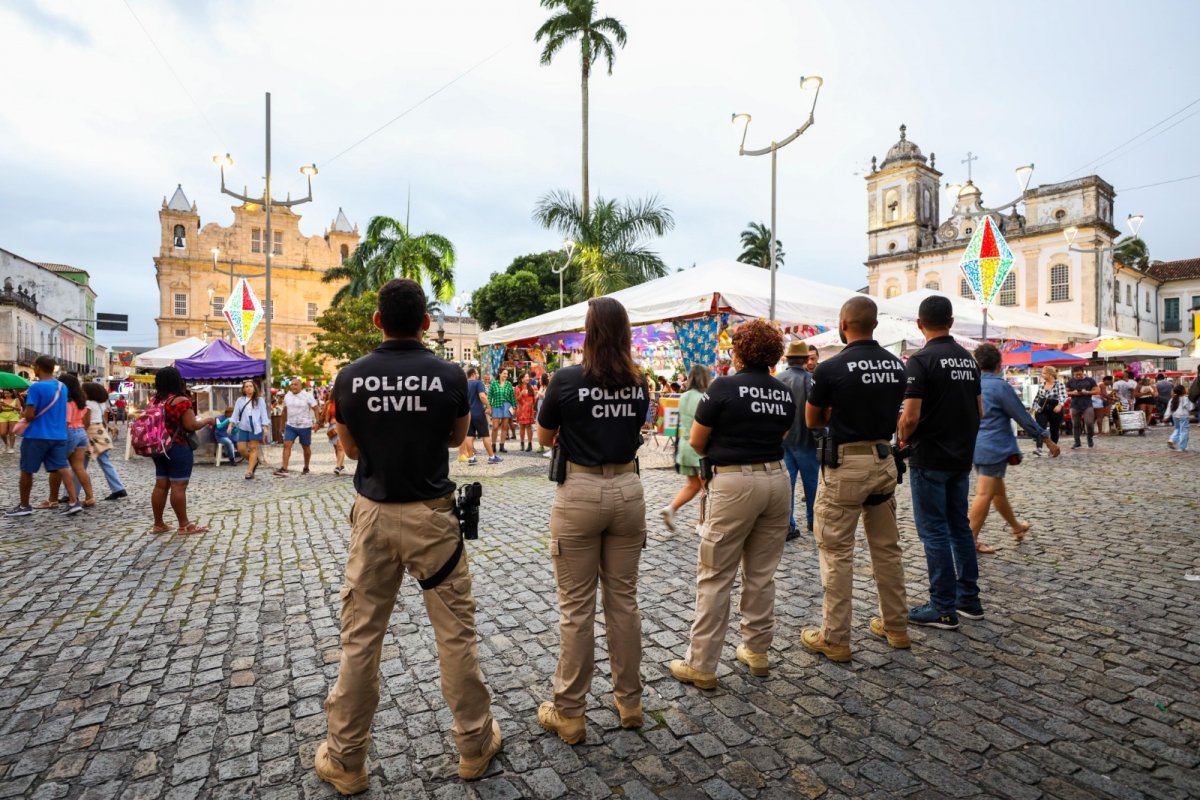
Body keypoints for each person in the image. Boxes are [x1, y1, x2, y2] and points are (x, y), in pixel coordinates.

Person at [317, 279, 501, 792]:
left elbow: (351, 450)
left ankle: (346, 759)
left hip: (374, 515)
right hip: (432, 517)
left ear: (377, 320)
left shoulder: (349, 378)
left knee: (360, 639)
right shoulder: (449, 375)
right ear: (425, 323)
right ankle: (473, 743)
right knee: (455, 634)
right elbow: (457, 438)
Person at [535, 298, 649, 743]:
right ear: (624, 333)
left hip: (580, 490)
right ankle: (630, 701)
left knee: (577, 608)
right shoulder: (639, 381)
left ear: (588, 331)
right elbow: (635, 428)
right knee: (624, 601)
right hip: (628, 488)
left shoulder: (566, 380)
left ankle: (570, 712)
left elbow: (544, 436)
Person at [669, 320, 794, 687]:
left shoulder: (723, 387)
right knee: (761, 572)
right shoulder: (783, 392)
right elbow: (783, 433)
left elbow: (697, 441)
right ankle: (757, 650)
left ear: (739, 352)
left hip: (735, 481)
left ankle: (701, 664)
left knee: (716, 573)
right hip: (777, 479)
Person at [802, 298, 909, 660]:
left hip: (846, 463)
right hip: (883, 460)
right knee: (887, 549)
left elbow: (813, 420)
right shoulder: (896, 366)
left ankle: (835, 638)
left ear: (843, 323)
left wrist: (834, 412)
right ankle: (896, 626)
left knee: (836, 552)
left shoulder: (831, 368)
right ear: (874, 324)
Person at [897, 294, 982, 631]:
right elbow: (979, 410)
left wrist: (902, 435)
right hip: (960, 456)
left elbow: (910, 416)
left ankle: (943, 607)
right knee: (959, 526)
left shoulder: (920, 361)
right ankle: (968, 598)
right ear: (951, 322)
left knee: (933, 531)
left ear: (920, 324)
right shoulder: (969, 360)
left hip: (929, 455)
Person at [970, 345, 1061, 554]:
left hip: (977, 445)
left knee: (997, 492)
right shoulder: (999, 386)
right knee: (985, 493)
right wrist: (1046, 439)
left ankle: (1017, 527)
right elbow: (1021, 415)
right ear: (998, 364)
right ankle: (970, 540)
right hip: (993, 446)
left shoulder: (971, 385)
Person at [6, 356, 81, 517]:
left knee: (27, 470)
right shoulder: (62, 387)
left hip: (37, 435)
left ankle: (24, 506)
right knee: (62, 468)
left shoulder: (36, 387)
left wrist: (24, 413)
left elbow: (30, 415)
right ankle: (73, 502)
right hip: (59, 435)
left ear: (38, 368)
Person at [148, 367, 213, 535]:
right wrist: (207, 420)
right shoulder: (181, 401)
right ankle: (184, 525)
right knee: (179, 485)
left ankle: (158, 524)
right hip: (177, 446)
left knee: (161, 485)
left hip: (159, 447)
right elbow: (191, 425)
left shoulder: (154, 401)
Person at [659, 364, 710, 533]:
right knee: (706, 489)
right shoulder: (704, 398)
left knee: (693, 485)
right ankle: (702, 523)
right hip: (699, 448)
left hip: (684, 447)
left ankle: (671, 508)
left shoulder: (684, 396)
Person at [776, 340, 819, 539]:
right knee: (812, 485)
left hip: (784, 441)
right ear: (804, 359)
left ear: (788, 359)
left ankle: (787, 524)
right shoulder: (809, 380)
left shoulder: (778, 380)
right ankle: (813, 520)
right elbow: (815, 412)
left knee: (787, 486)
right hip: (806, 440)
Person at [45, 374, 95, 509]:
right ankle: (90, 497)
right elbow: (85, 421)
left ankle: (52, 500)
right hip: (81, 432)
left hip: (68, 432)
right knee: (79, 467)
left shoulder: (66, 402)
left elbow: (66, 422)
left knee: (56, 467)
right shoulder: (81, 402)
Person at [83, 381, 127, 500]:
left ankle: (69, 494)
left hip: (90, 433)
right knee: (104, 462)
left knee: (80, 465)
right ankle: (118, 488)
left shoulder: (87, 403)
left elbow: (86, 422)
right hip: (100, 432)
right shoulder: (100, 403)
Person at [276, 379, 319, 476]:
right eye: (291, 384)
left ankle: (306, 467)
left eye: (295, 384)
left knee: (306, 447)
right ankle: (284, 468)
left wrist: (317, 422)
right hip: (291, 425)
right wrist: (281, 425)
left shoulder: (307, 396)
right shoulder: (287, 396)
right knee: (286, 445)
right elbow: (284, 411)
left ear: (300, 386)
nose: (293, 386)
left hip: (305, 426)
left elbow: (316, 408)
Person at [461, 367, 499, 465]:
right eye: (477, 373)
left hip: (467, 414)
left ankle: (471, 458)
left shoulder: (463, 384)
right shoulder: (478, 383)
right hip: (478, 412)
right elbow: (482, 396)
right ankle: (492, 457)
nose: (478, 375)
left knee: (469, 435)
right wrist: (489, 407)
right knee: (485, 435)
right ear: (473, 374)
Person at [232, 380, 270, 479]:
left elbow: (263, 414)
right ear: (244, 389)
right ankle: (254, 461)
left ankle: (249, 471)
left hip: (256, 425)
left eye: (250, 386)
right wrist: (230, 425)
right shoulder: (240, 400)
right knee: (241, 449)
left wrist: (265, 427)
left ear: (254, 388)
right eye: (246, 386)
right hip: (243, 425)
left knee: (253, 448)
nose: (249, 388)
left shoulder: (259, 400)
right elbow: (235, 414)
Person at [1032, 366, 1066, 453]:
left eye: (1044, 373)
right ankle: (1039, 448)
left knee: (1054, 429)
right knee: (1040, 427)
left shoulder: (1059, 384)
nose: (1042, 374)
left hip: (1054, 407)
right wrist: (1033, 408)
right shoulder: (1041, 384)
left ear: (1050, 374)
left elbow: (1063, 396)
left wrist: (1060, 405)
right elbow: (1037, 397)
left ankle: (1053, 449)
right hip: (1042, 408)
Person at [1066, 367, 1098, 448]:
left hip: (1087, 404)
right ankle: (1077, 442)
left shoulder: (1090, 380)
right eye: (1076, 375)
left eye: (1080, 374)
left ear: (1083, 372)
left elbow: (1097, 391)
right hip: (1074, 405)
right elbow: (1065, 392)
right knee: (1075, 424)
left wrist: (1087, 392)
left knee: (1089, 423)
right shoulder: (1070, 381)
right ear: (1073, 374)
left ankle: (1090, 438)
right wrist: (1073, 393)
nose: (1078, 376)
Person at [488, 369, 515, 453]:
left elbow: (512, 396)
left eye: (507, 374)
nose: (506, 375)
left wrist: (514, 407)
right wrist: (489, 406)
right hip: (496, 405)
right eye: (504, 373)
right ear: (500, 374)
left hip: (507, 406)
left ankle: (502, 446)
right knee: (495, 427)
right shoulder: (494, 383)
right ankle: (493, 445)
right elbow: (489, 396)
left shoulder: (509, 384)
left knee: (505, 427)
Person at [1165, 385, 1193, 451]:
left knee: (1177, 429)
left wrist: (1166, 416)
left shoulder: (1172, 399)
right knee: (1184, 431)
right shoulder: (1186, 398)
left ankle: (1172, 439)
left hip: (1175, 416)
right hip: (1183, 416)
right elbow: (1190, 407)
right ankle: (1182, 447)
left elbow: (1169, 408)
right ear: (1183, 391)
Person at [324, 394, 347, 475]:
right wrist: (318, 424)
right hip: (332, 427)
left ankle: (337, 467)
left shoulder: (344, 401)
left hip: (342, 426)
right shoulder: (329, 403)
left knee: (340, 446)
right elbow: (324, 415)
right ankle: (341, 465)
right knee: (336, 448)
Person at [514, 371, 537, 452]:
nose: (528, 378)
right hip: (521, 410)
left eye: (528, 377)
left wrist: (534, 408)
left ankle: (530, 444)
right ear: (522, 379)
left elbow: (534, 399)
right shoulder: (517, 387)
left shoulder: (531, 387)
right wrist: (521, 393)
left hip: (529, 410)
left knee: (529, 427)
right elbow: (517, 399)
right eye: (526, 377)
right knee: (522, 427)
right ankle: (522, 443)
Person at [0, 388, 20, 453]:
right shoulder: (1, 400)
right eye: (4, 393)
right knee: (2, 433)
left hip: (13, 415)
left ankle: (11, 447)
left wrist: (8, 405)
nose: (6, 394)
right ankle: (6, 444)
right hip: (3, 415)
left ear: (11, 393)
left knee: (12, 432)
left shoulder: (16, 399)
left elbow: (19, 409)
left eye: (7, 393)